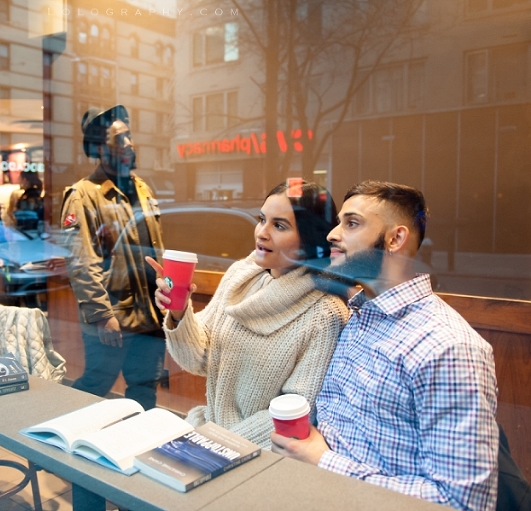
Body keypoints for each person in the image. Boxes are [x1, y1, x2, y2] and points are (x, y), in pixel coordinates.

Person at [270, 181, 499, 511]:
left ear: (395, 239)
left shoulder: (447, 348)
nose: (333, 234)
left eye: (351, 223)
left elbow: (463, 502)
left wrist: (324, 461)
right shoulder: (362, 314)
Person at [147, 181, 348, 448]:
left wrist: (214, 445)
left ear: (309, 239)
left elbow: (296, 414)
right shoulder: (242, 275)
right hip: (208, 433)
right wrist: (179, 312)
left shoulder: (325, 312)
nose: (262, 233)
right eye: (262, 219)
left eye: (279, 225)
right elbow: (198, 360)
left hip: (260, 454)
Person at [60, 104, 165, 410]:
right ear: (98, 149)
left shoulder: (142, 190)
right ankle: (58, 439)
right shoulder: (83, 195)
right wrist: (102, 315)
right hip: (113, 314)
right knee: (96, 384)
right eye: (119, 140)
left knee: (145, 387)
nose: (129, 144)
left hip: (149, 315)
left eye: (129, 136)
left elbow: (153, 249)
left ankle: (137, 449)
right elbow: (81, 262)